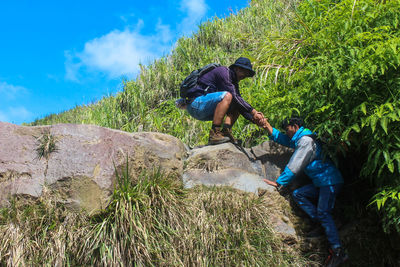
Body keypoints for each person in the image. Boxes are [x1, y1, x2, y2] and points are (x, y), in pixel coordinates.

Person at [261, 117, 348, 267]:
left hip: (329, 181)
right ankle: (322, 223)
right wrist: (266, 126)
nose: (286, 132)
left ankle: (338, 251)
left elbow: (296, 163)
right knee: (299, 194)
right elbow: (283, 139)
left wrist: (279, 182)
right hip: (320, 183)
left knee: (323, 212)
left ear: (295, 127)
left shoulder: (306, 141)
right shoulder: (299, 139)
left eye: (287, 129)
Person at [178, 57, 265, 145]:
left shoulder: (233, 82)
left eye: (247, 74)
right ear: (237, 68)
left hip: (204, 107)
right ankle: (215, 134)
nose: (245, 76)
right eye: (244, 72)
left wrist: (253, 119)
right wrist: (254, 112)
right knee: (227, 96)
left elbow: (239, 102)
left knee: (237, 104)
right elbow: (234, 96)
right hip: (196, 104)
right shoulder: (223, 72)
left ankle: (225, 132)